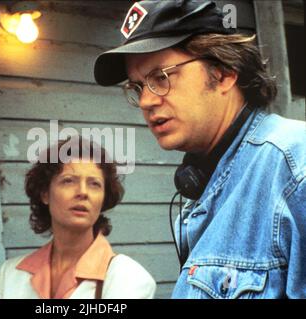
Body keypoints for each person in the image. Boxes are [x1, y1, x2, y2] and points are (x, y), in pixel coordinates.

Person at [94, 0, 305, 298]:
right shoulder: (206, 181)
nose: (146, 102)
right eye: (138, 87)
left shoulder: (296, 167)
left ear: (223, 73)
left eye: (161, 77)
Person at [0, 138, 156, 299]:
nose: (83, 192)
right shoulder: (10, 275)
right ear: (45, 194)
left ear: (103, 198)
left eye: (94, 184)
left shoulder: (128, 277)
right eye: (68, 181)